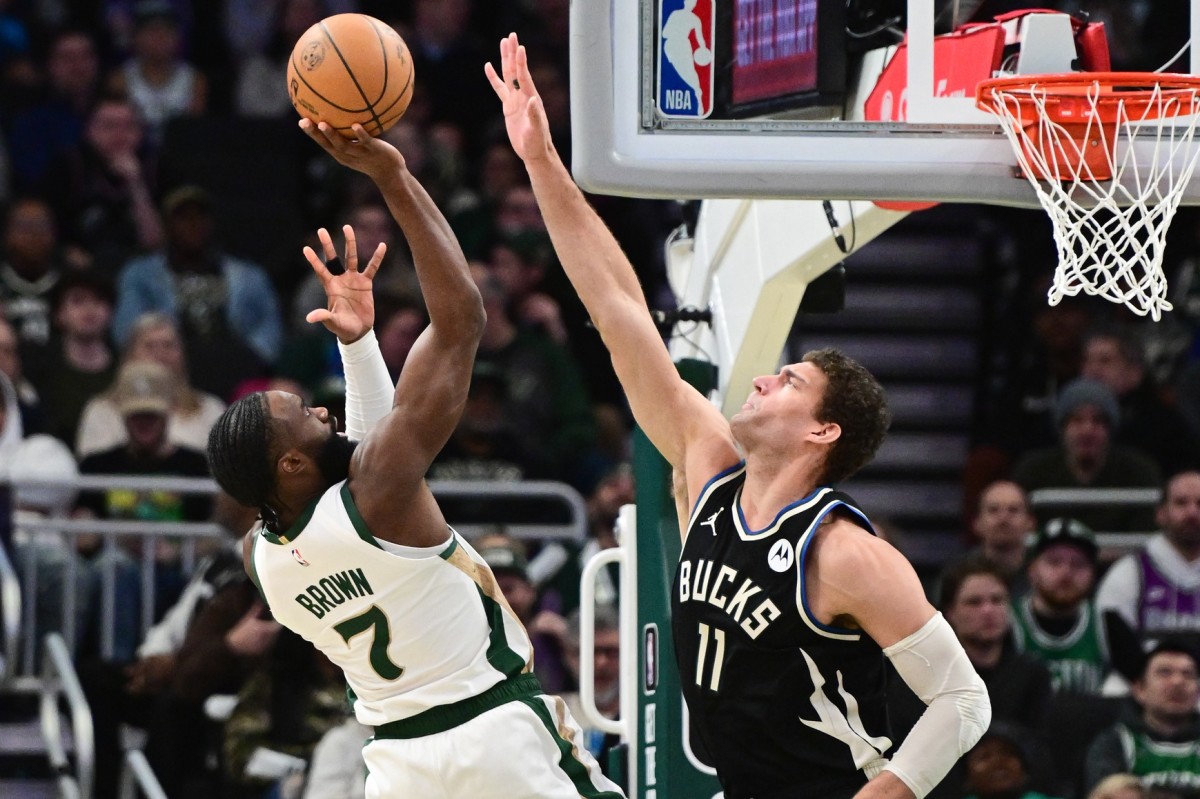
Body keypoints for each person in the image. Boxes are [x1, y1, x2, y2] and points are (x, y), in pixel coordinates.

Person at [487, 32, 990, 799]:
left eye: (787, 380)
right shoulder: (707, 467)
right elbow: (620, 311)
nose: (760, 380)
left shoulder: (846, 553)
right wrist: (542, 163)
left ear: (824, 430)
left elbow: (964, 702)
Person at [206, 118, 624, 799]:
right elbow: (461, 317)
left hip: (398, 765)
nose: (320, 409)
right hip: (493, 735)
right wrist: (394, 176)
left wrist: (359, 344)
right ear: (288, 466)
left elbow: (366, 469)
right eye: (302, 416)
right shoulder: (378, 491)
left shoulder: (262, 557)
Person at [1013, 377, 1161, 533]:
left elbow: (1147, 534)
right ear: (1062, 428)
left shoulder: (1139, 471)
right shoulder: (1033, 470)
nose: (1087, 430)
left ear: (1110, 429)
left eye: (1098, 421)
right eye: (1077, 420)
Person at [1096, 471, 1200, 653]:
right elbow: (1111, 644)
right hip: (1145, 678)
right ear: (1160, 513)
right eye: (1181, 503)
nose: (1192, 512)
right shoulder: (1129, 572)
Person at [1083, 639, 1200, 797]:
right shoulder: (1115, 742)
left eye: (1188, 674)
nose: (1178, 682)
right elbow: (1107, 795)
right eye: (1164, 672)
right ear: (1140, 690)